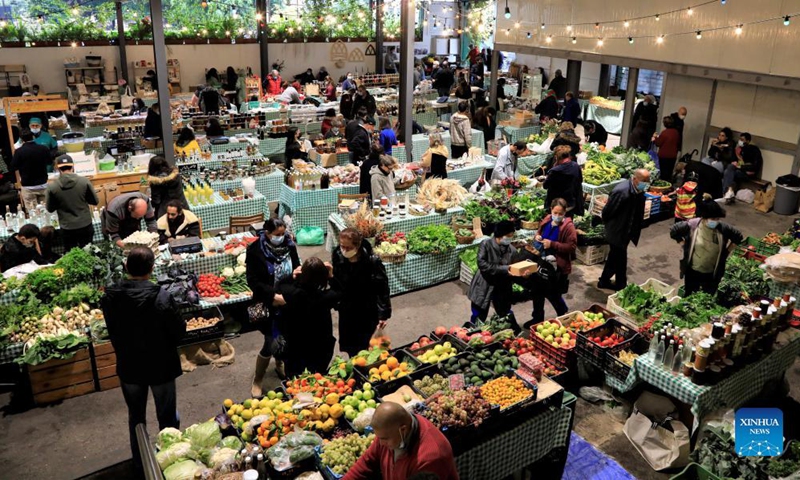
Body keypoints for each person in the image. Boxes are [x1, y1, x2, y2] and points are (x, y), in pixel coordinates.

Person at [101, 247, 183, 475]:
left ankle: (141, 466)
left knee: (136, 417)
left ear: (126, 267)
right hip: (162, 366)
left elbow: (112, 330)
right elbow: (178, 331)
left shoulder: (110, 297)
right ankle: (172, 463)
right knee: (167, 416)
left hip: (130, 366)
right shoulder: (162, 296)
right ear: (152, 269)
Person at [245, 218, 300, 393]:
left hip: (287, 300)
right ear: (267, 234)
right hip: (267, 301)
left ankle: (279, 363)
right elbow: (252, 281)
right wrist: (272, 295)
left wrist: (295, 281)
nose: (281, 237)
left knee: (286, 336)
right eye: (277, 235)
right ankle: (258, 379)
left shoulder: (290, 245)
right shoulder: (255, 251)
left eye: (283, 233)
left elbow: (296, 267)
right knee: (270, 341)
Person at [343, 401, 458, 480]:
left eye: (384, 439)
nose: (380, 442)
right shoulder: (390, 432)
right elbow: (367, 462)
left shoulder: (430, 457)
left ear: (403, 430)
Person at [332, 228, 391, 356]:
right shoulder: (337, 255)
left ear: (357, 245)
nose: (344, 251)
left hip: (367, 309)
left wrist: (383, 314)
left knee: (368, 344)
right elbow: (337, 282)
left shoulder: (372, 261)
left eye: (348, 248)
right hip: (347, 309)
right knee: (350, 344)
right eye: (342, 246)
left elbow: (382, 288)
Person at [670, 194, 742, 295]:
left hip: (712, 273)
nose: (715, 221)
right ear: (704, 217)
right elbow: (674, 231)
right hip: (693, 271)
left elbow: (738, 237)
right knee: (689, 295)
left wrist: (726, 252)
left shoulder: (723, 229)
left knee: (707, 297)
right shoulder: (692, 225)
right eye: (713, 218)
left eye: (717, 218)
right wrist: (684, 245)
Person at [468, 220, 529, 325]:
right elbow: (482, 264)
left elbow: (514, 269)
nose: (509, 239)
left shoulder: (512, 251)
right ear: (500, 235)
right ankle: (473, 332)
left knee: (504, 313)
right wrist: (505, 269)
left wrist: (523, 275)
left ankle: (511, 332)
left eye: (511, 236)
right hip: (484, 283)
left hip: (502, 285)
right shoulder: (486, 244)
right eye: (508, 236)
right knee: (479, 314)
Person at [598, 169, 650, 290]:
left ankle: (606, 281)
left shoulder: (639, 190)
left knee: (615, 257)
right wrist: (611, 226)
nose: (647, 183)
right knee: (620, 258)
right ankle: (620, 285)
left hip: (626, 231)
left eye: (648, 180)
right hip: (617, 231)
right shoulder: (621, 192)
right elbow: (607, 211)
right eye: (644, 180)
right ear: (635, 179)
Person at [528, 198, 575, 326]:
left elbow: (571, 247)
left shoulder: (568, 227)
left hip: (556, 267)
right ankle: (537, 318)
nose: (557, 216)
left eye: (561, 214)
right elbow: (540, 231)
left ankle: (564, 315)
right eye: (555, 212)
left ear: (565, 213)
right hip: (541, 263)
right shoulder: (548, 219)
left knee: (553, 294)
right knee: (537, 292)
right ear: (551, 210)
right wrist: (537, 236)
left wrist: (553, 244)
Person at [45, 155, 99, 250]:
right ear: (72, 167)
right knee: (89, 254)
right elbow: (95, 201)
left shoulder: (52, 187)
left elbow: (50, 209)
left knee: (71, 256)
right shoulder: (84, 181)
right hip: (85, 224)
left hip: (67, 228)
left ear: (58, 168)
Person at [10, 129, 51, 212]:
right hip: (43, 184)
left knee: (33, 212)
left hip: (28, 186)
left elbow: (13, 167)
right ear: (33, 137)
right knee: (46, 210)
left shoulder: (19, 152)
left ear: (21, 139)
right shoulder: (43, 148)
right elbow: (49, 162)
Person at [544, 146, 584, 216]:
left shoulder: (555, 171)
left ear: (556, 157)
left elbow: (545, 185)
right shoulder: (576, 166)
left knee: (556, 224)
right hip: (571, 203)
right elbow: (580, 180)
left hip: (557, 205)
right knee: (568, 222)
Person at [653, 116, 681, 181]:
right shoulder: (676, 132)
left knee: (663, 174)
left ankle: (663, 187)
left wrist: (655, 138)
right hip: (673, 156)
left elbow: (658, 143)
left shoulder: (664, 133)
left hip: (664, 156)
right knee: (669, 173)